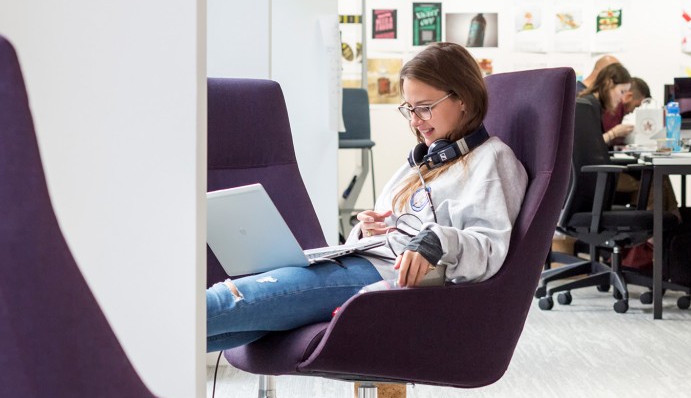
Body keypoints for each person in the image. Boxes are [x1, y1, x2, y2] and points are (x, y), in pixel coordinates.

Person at [205, 42, 528, 352]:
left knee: (225, 302)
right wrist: (371, 230)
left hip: (386, 278)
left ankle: (155, 319)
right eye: (409, 109)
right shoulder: (425, 159)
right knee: (213, 332)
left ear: (465, 100)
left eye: (425, 108)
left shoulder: (492, 160)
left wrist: (434, 241)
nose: (415, 121)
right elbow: (400, 223)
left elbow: (489, 250)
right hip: (362, 261)